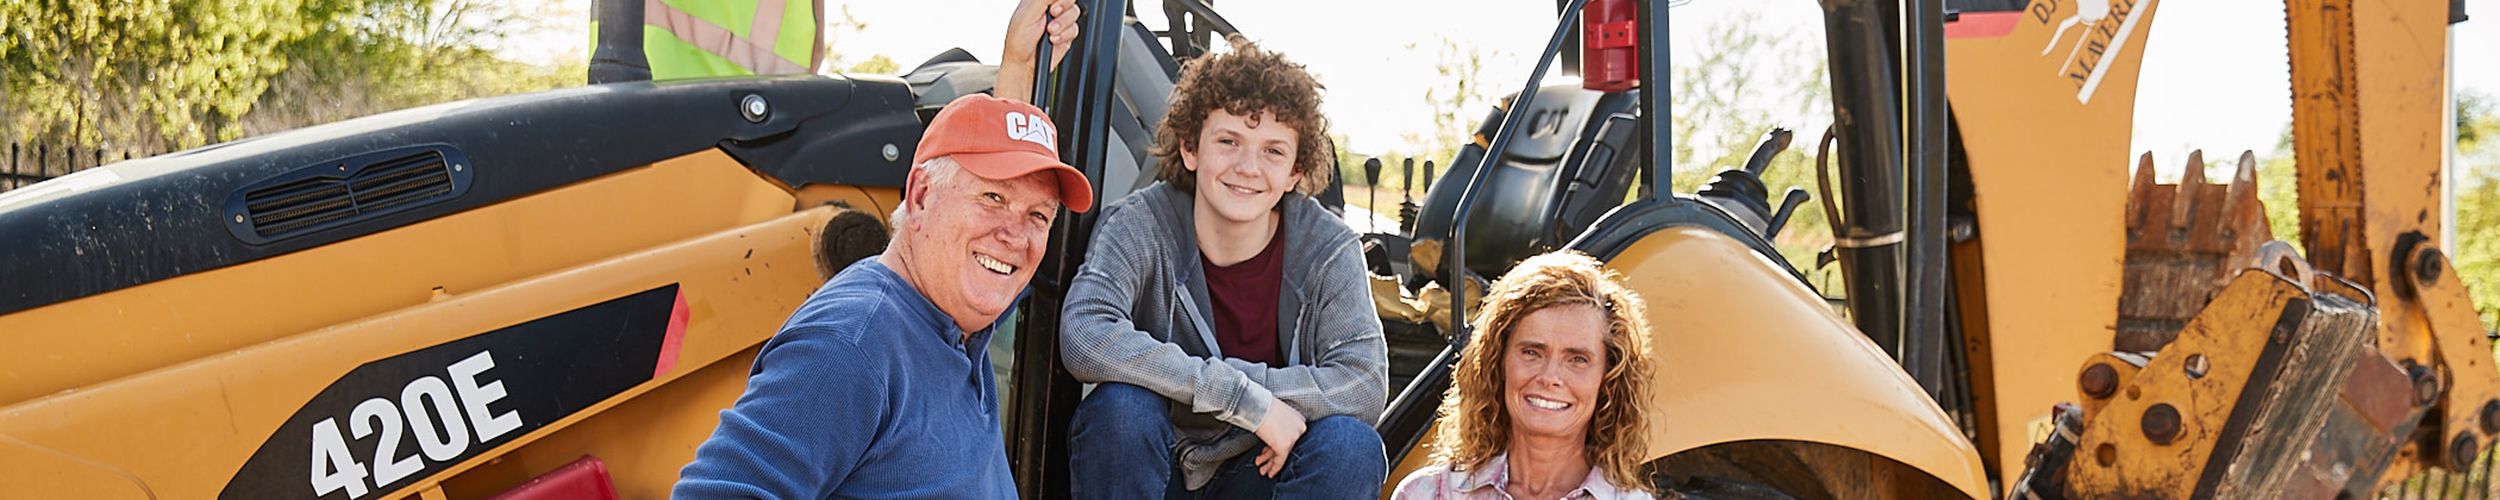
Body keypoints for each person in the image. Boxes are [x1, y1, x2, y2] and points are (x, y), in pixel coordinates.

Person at [671, 2, 1085, 494]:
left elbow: (999, 245)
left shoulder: (959, 306)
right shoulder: (852, 345)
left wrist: (1021, 69)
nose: (1015, 236)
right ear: (922, 195)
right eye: (992, 198)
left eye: (1038, 216)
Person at [1059, 34, 1389, 498]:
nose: (1249, 166)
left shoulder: (1328, 249)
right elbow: (1086, 333)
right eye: (1229, 141)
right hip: (1160, 458)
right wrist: (1246, 402)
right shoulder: (1140, 223)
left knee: (1351, 445)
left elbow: (1363, 384)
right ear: (1191, 149)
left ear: (1296, 170)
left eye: (1273, 150)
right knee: (1121, 409)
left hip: (1263, 467)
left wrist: (1265, 411)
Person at [1392, 252, 1659, 500]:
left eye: (1577, 359)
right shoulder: (1427, 494)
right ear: (1498, 361)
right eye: (1532, 352)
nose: (1549, 376)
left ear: (1608, 378)